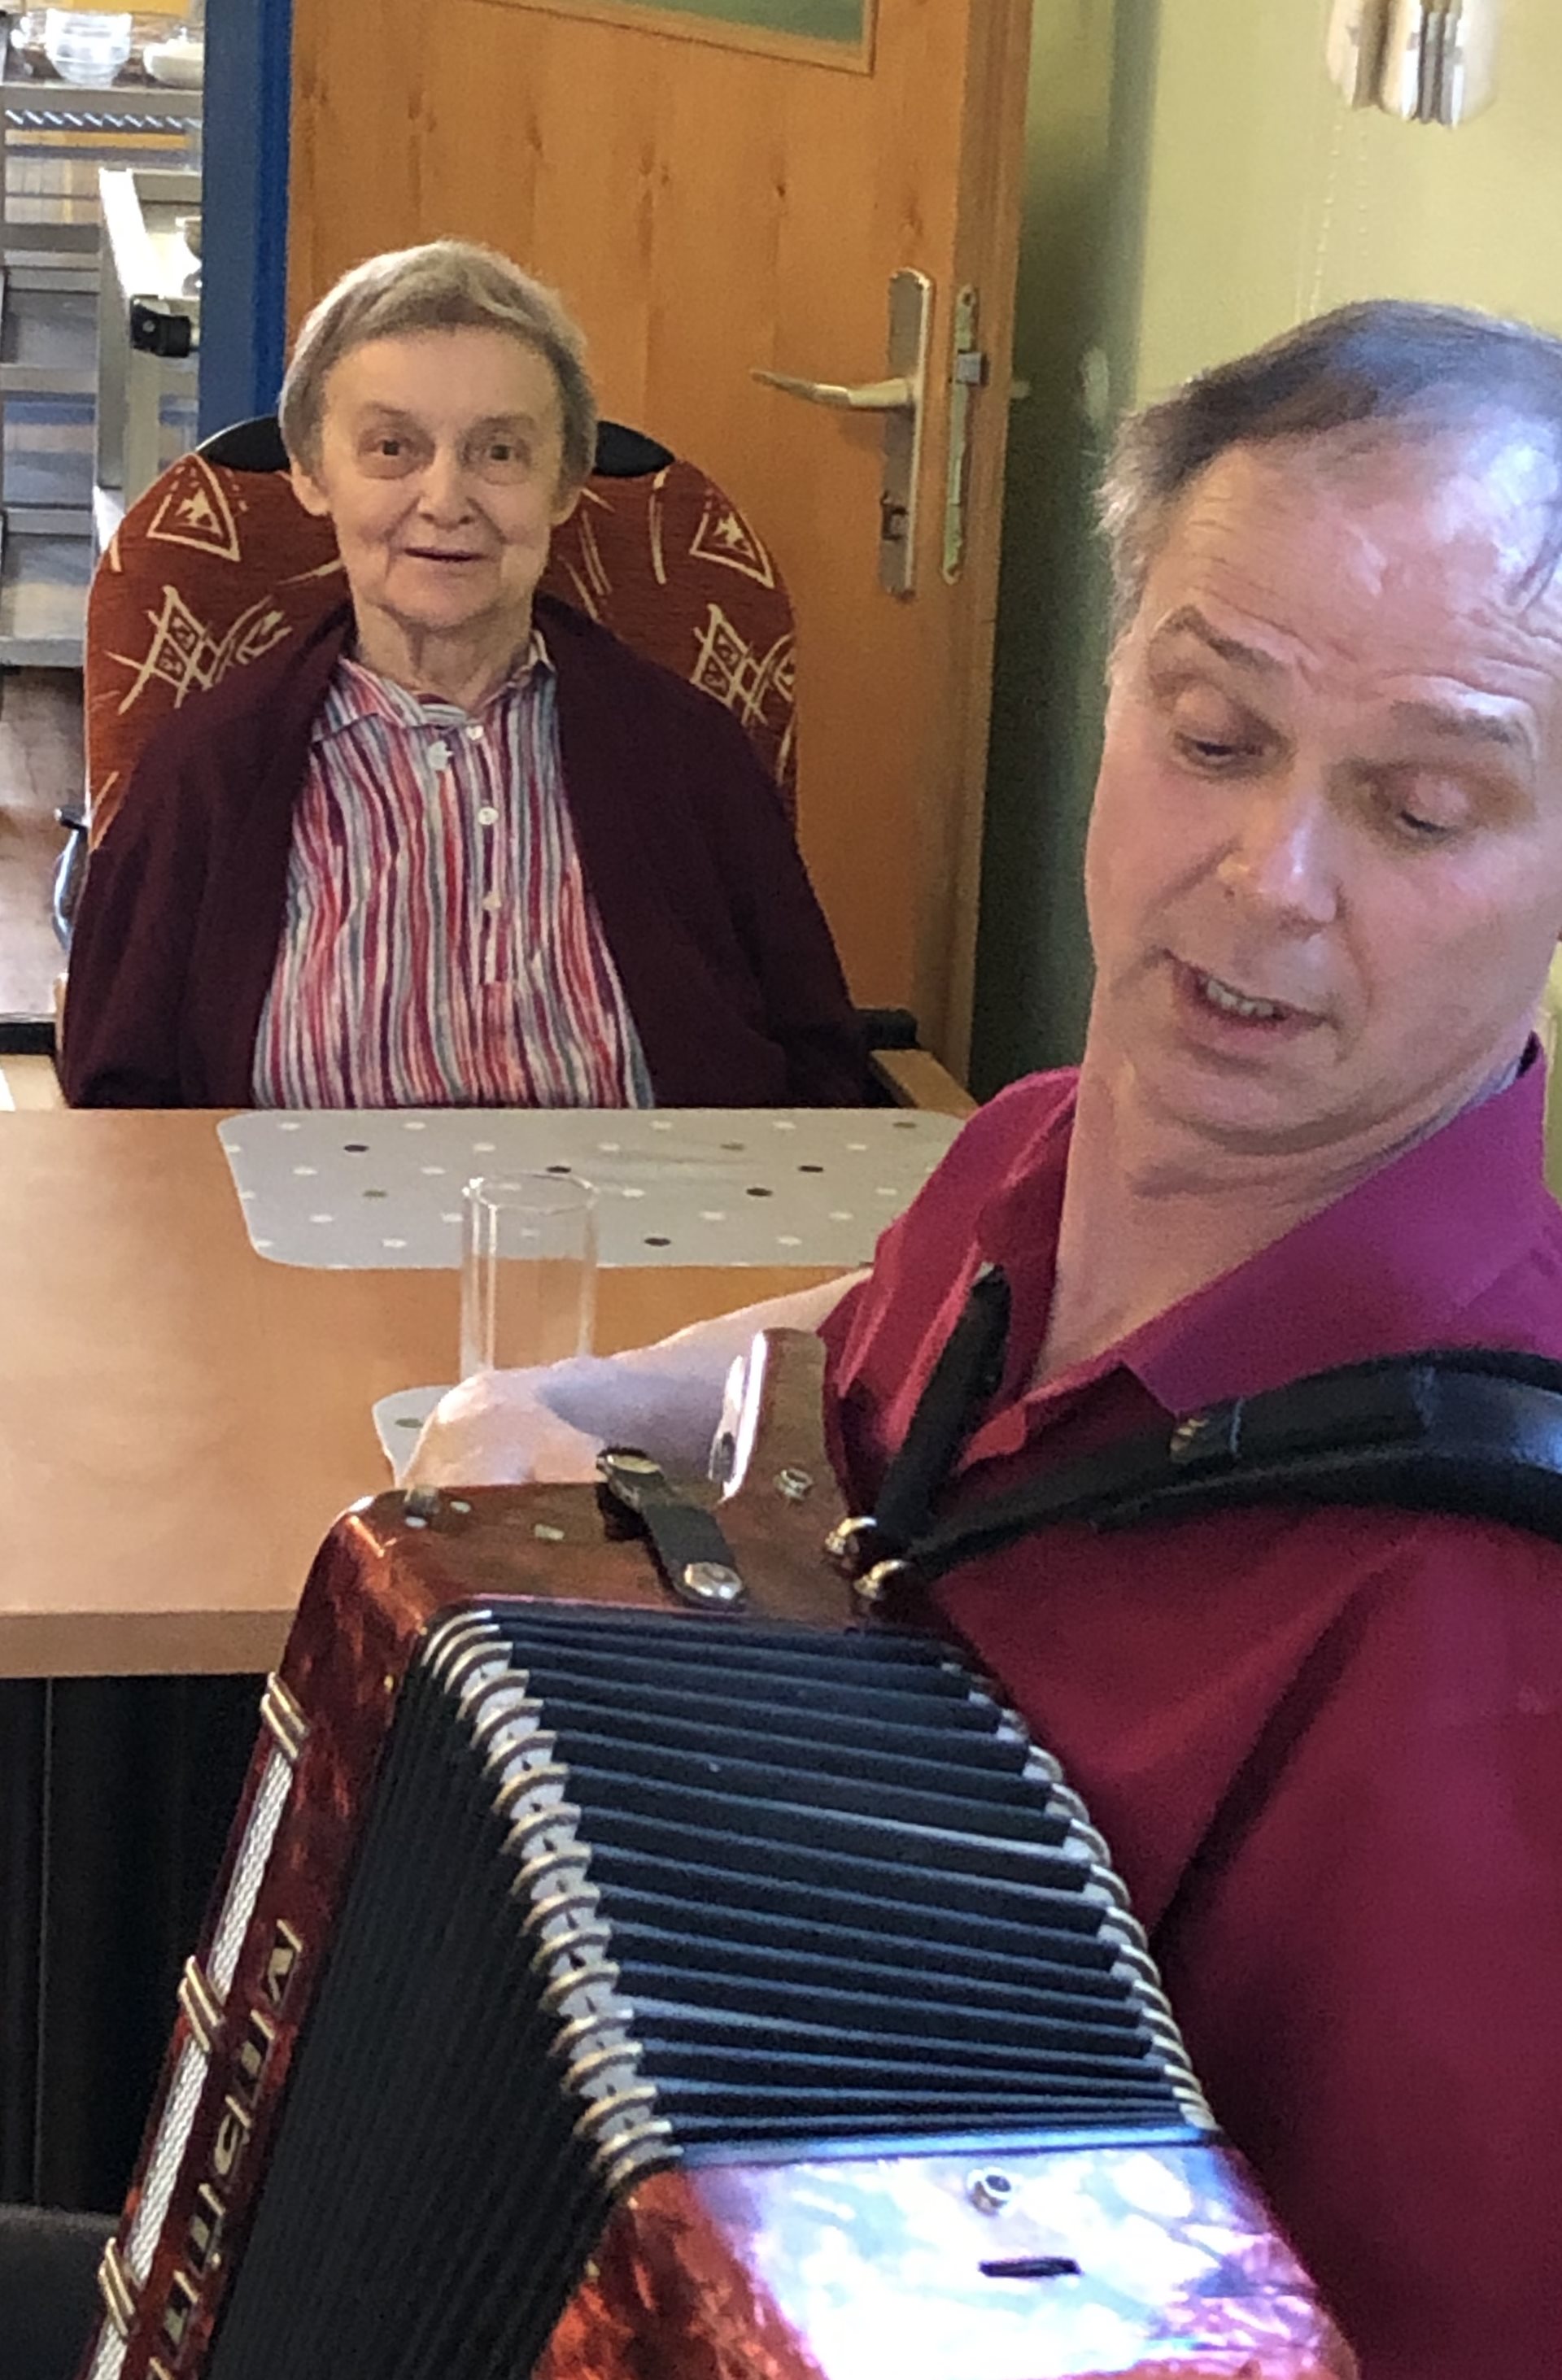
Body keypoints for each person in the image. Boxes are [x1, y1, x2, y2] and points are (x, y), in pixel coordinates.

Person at [406, 297, 1562, 2379]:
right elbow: (862, 1355)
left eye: (1420, 809)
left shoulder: (1491, 1625)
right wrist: (571, 1401)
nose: (1269, 878)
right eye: (1213, 737)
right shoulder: (1033, 1148)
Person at [60, 240, 866, 1109]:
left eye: (500, 453)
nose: (446, 501)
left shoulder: (691, 754)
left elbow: (817, 1073)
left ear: (566, 484)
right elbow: (121, 1106)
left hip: (649, 1200)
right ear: (312, 473)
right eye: (392, 447)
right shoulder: (207, 770)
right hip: (294, 1205)